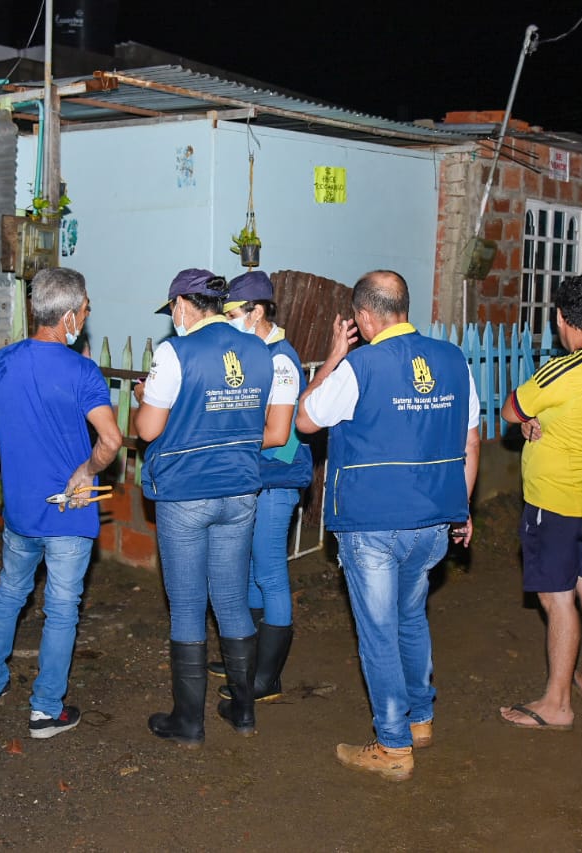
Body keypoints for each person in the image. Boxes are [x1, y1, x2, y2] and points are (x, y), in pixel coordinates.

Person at [296, 270, 480, 782]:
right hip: (433, 521)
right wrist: (462, 506)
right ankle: (420, 719)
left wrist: (333, 357)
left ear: (363, 316)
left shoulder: (360, 366)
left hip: (373, 524)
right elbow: (470, 439)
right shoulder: (453, 359)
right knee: (410, 617)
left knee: (378, 633)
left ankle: (393, 745)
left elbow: (306, 420)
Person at [0, 267, 123, 739]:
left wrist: (22, 433)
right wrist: (86, 471)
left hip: (20, 511)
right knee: (61, 610)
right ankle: (44, 711)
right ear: (69, 315)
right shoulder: (82, 371)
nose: (88, 315)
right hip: (69, 512)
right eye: (86, 309)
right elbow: (111, 440)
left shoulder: (0, 362)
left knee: (10, 593)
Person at [135, 268, 275, 747]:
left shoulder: (175, 352)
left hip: (186, 493)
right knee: (232, 598)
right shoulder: (259, 350)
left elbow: (148, 430)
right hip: (241, 490)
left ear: (180, 305)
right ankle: (243, 711)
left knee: (188, 606)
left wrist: (144, 397)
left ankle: (188, 722)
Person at [498, 274, 582, 731]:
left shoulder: (563, 369)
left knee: (558, 600)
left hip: (556, 504)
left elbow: (511, 409)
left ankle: (557, 704)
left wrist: (528, 419)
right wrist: (541, 421)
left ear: (561, 319)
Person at [208, 271, 313, 704]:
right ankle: (247, 660)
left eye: (234, 313)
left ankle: (267, 677)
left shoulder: (280, 359)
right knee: (252, 567)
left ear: (259, 311)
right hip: (254, 473)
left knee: (269, 570)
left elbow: (277, 432)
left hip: (277, 475)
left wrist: (225, 441)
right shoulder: (251, 353)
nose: (229, 321)